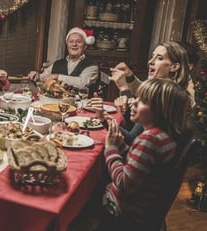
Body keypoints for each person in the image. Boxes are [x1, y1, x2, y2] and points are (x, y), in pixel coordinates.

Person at [98, 78, 190, 230]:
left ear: (161, 111)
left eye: (143, 101)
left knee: (82, 192)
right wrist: (120, 143)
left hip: (122, 211)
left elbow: (123, 184)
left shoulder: (149, 140)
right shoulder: (164, 137)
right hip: (138, 208)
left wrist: (110, 148)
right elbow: (139, 165)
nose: (133, 102)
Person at [96, 41, 191, 144]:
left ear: (174, 67)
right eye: (152, 56)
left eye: (159, 58)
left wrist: (103, 119)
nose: (150, 61)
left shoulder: (162, 95)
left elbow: (132, 138)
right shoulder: (174, 92)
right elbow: (133, 126)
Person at [27, 27, 99, 90]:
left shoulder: (91, 65)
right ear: (67, 45)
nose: (74, 44)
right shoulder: (58, 63)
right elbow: (43, 77)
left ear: (85, 46)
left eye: (78, 42)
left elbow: (82, 83)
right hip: (54, 103)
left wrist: (57, 77)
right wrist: (36, 76)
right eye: (71, 42)